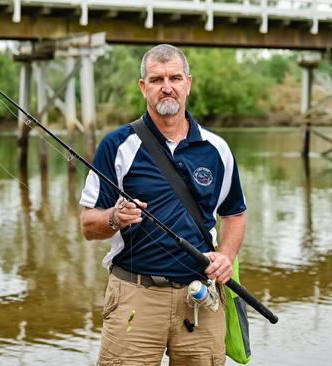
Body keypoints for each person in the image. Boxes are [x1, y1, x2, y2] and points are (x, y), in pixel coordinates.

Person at [80, 44, 247, 366]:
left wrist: (226, 257)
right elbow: (88, 225)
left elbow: (234, 213)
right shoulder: (117, 145)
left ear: (188, 83)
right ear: (143, 87)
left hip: (201, 297)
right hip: (136, 294)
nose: (167, 87)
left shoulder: (217, 149)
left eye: (175, 77)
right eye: (156, 79)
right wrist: (114, 217)